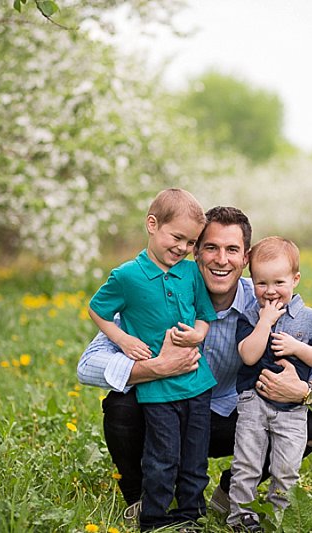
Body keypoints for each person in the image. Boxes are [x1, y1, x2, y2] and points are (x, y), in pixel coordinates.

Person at [76, 206, 312, 523]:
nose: (221, 259)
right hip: (168, 413)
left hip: (236, 419)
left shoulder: (264, 300)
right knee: (122, 406)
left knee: (307, 426)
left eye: (232, 249)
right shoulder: (161, 293)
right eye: (211, 247)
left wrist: (303, 391)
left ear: (245, 259)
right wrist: (155, 368)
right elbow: (88, 364)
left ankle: (228, 493)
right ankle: (141, 500)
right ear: (195, 252)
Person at [87, 188, 217, 531]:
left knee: (194, 458)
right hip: (156, 390)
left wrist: (199, 334)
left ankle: (191, 515)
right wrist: (124, 339)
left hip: (197, 382)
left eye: (191, 243)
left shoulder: (191, 274)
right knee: (162, 458)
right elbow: (97, 310)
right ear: (152, 225)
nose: (183, 248)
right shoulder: (127, 276)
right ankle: (155, 519)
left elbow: (204, 315)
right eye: (177, 237)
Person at [227, 237, 312, 531]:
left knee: (286, 467)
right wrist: (264, 322)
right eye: (261, 283)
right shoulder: (250, 316)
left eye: (279, 282)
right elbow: (248, 356)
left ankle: (280, 515)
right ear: (253, 281)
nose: (270, 291)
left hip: (292, 409)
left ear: (295, 279)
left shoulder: (310, 319)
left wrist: (296, 348)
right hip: (253, 402)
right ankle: (240, 515)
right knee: (247, 462)